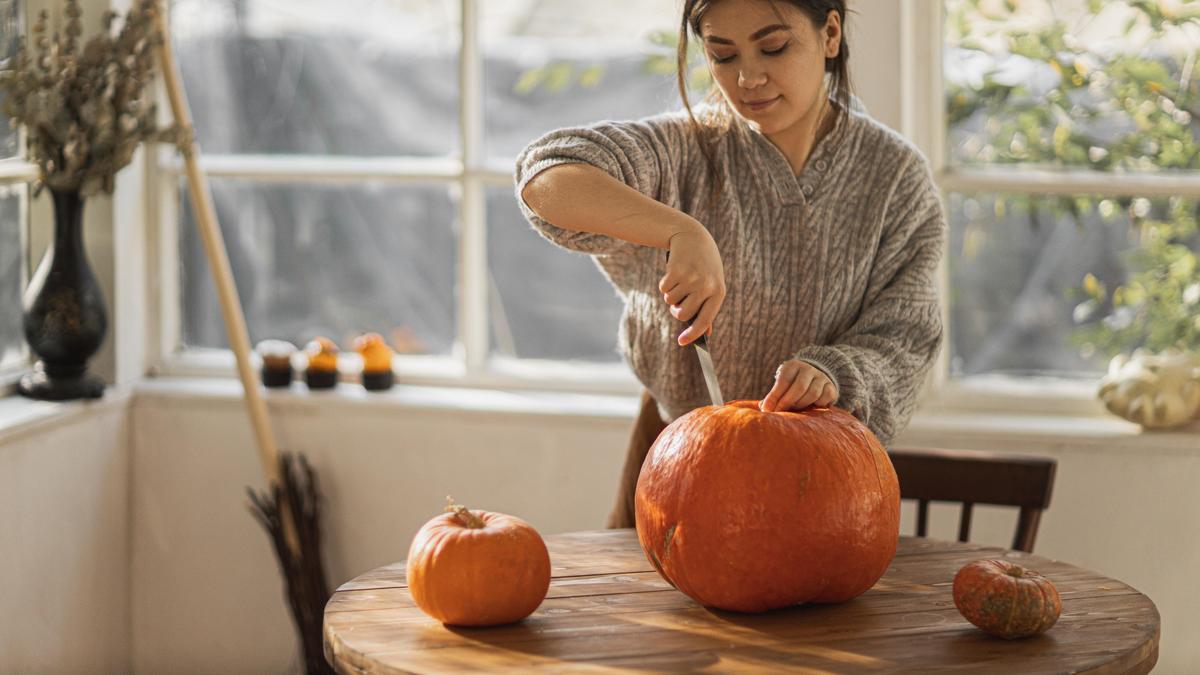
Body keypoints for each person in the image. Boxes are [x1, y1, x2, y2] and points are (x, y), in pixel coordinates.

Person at [515, 0, 946, 528]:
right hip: (678, 455)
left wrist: (834, 374)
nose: (747, 78)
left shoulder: (895, 177)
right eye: (722, 55)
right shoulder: (684, 150)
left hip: (825, 474)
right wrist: (680, 229)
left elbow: (906, 336)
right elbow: (546, 174)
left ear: (830, 34)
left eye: (774, 47)